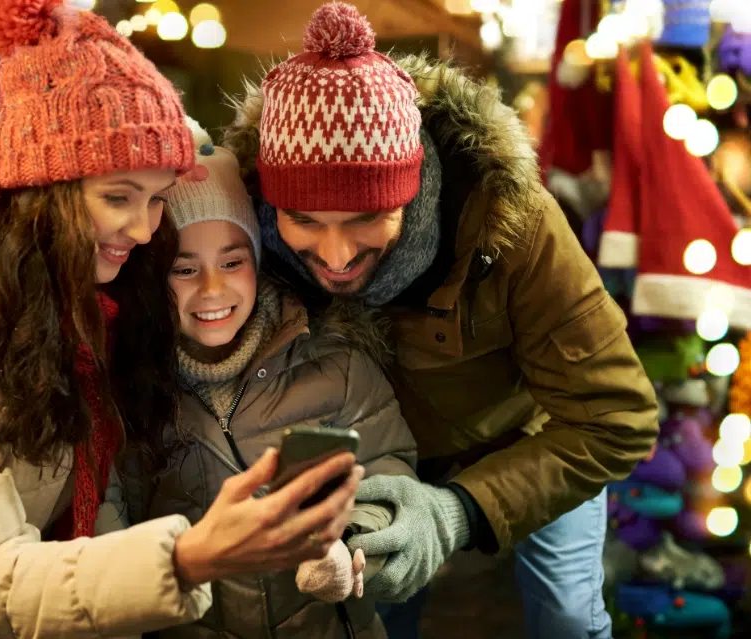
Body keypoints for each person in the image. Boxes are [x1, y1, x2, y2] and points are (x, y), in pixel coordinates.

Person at [0, 2, 362, 637]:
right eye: (117, 197)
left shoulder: (67, 279)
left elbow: (88, 484)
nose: (144, 227)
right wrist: (189, 559)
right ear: (42, 186)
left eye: (156, 199)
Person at [222, 3, 659, 638]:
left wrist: (456, 512)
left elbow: (617, 415)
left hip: (528, 440)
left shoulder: (512, 220)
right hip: (373, 462)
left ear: (413, 187)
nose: (337, 256)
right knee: (371, 620)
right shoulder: (244, 236)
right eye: (305, 221)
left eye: (367, 218)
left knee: (567, 617)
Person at [138, 119, 415, 639]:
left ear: (257, 262)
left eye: (233, 260)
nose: (213, 288)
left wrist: (353, 544)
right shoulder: (136, 390)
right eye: (183, 268)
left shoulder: (334, 363)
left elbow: (390, 474)